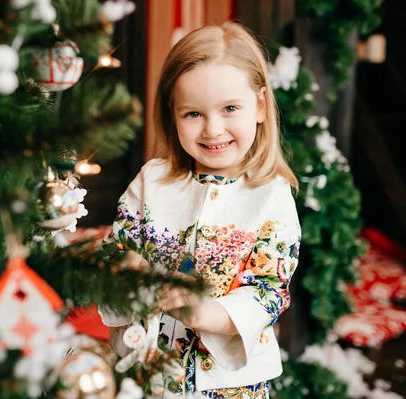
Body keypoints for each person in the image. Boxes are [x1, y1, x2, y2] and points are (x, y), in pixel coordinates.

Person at [98, 22, 301, 398]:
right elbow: (117, 249)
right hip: (147, 371)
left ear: (259, 105)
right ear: (173, 111)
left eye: (229, 109)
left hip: (231, 384)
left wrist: (207, 315)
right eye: (193, 114)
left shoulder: (271, 195)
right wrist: (127, 270)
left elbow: (269, 289)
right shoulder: (152, 181)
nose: (212, 129)